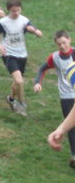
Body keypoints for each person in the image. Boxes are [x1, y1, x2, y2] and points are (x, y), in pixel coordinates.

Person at [0, 0, 42, 117]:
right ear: (8, 10)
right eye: (13, 11)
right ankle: (21, 103)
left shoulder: (24, 21)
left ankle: (10, 99)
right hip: (8, 54)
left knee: (17, 82)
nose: (16, 13)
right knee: (19, 81)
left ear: (21, 9)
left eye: (18, 10)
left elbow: (39, 34)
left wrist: (34, 31)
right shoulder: (4, 22)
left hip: (22, 55)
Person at [35, 30, 75, 167]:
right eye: (59, 44)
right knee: (72, 127)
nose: (62, 46)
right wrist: (38, 82)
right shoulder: (55, 57)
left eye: (64, 42)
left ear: (69, 40)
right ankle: (74, 155)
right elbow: (42, 68)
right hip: (66, 96)